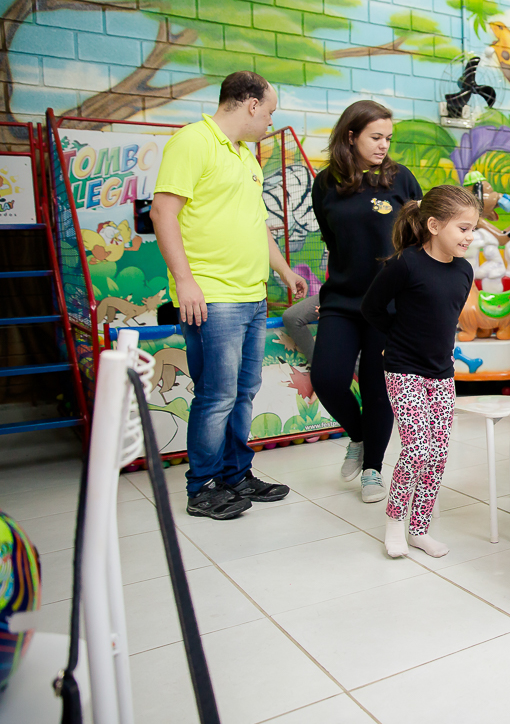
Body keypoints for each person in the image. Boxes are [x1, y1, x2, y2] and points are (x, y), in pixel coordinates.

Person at [151, 70, 304, 520]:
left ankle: (236, 475)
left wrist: (283, 271)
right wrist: (185, 282)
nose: (271, 122)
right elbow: (163, 212)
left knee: (243, 393)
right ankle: (201, 487)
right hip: (213, 297)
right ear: (251, 104)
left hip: (252, 296)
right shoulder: (192, 142)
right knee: (216, 395)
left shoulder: (246, 158)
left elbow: (257, 226)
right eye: (270, 111)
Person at [311, 100, 421, 503]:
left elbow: (418, 241)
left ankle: (373, 469)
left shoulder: (400, 179)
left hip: (388, 304)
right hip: (340, 300)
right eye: (376, 137)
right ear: (351, 135)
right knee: (327, 378)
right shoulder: (324, 184)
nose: (383, 145)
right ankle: (357, 435)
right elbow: (331, 239)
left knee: (379, 390)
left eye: (388, 138)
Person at [361, 185, 478, 559]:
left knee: (438, 453)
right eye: (462, 228)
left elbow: (447, 316)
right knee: (416, 448)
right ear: (433, 225)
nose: (470, 237)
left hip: (441, 373)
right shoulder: (405, 264)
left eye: (472, 229)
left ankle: (419, 528)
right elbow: (372, 307)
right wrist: (396, 334)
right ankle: (395, 521)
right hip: (403, 368)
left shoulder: (464, 271)